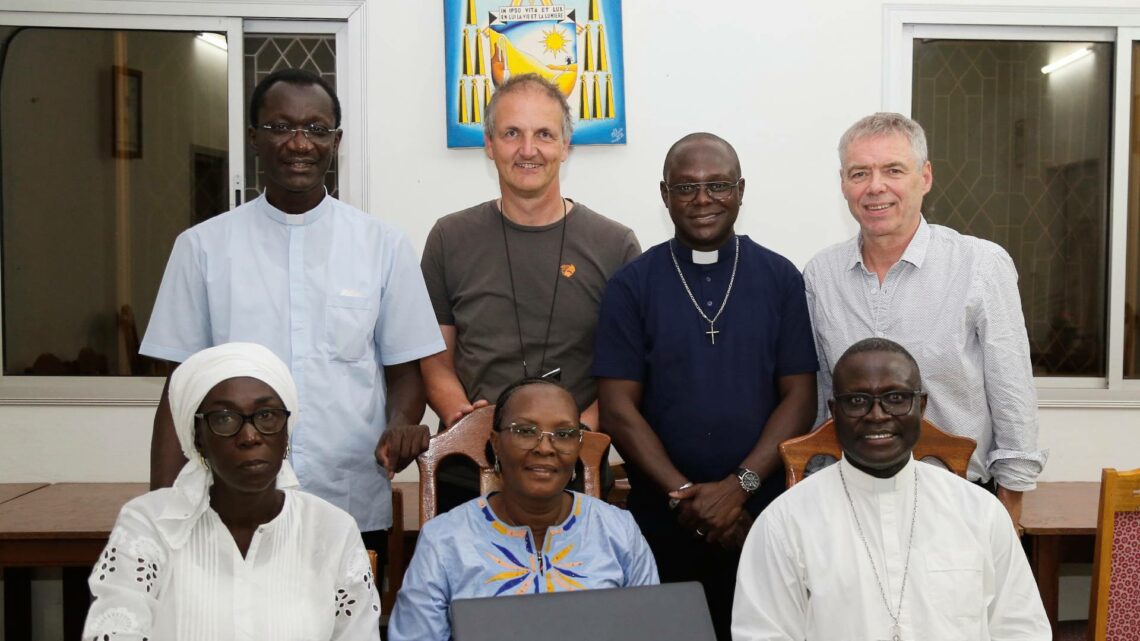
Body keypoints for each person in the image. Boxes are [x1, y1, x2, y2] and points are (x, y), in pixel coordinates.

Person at [141, 69, 444, 553]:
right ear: (254, 138)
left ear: (336, 141)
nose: (299, 143)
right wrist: (159, 512)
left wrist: (398, 425)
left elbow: (406, 371)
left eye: (316, 129)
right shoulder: (202, 248)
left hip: (348, 502)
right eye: (281, 127)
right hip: (228, 503)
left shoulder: (382, 246)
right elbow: (179, 391)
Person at [593, 133, 818, 641]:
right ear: (664, 193)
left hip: (763, 512)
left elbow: (800, 396)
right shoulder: (631, 285)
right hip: (664, 513)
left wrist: (739, 488)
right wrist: (685, 497)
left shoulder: (780, 277)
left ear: (740, 190)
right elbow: (618, 408)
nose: (702, 200)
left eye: (717, 185)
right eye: (685, 187)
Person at [804, 112, 1047, 527]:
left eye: (893, 170)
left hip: (959, 504)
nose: (875, 186)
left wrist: (1008, 510)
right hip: (850, 508)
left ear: (926, 177)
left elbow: (1013, 396)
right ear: (843, 184)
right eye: (859, 172)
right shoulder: (821, 276)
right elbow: (825, 395)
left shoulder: (980, 266)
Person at [732, 338, 1050, 641]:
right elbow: (763, 634)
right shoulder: (785, 523)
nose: (877, 415)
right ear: (834, 411)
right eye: (857, 401)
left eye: (896, 398)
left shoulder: (980, 513)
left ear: (921, 406)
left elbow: (1021, 629)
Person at [420, 73, 639, 508]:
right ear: (488, 144)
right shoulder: (449, 238)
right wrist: (463, 418)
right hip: (471, 475)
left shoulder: (616, 246)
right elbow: (435, 360)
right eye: (511, 134)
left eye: (543, 134)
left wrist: (572, 437)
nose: (528, 150)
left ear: (565, 145)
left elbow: (628, 376)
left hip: (578, 475)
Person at [83, 343, 381, 640]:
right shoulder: (148, 526)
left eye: (267, 416)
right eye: (225, 418)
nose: (249, 436)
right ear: (197, 438)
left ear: (286, 431)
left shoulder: (332, 531)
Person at [388, 378, 658, 641]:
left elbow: (654, 630)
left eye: (563, 435)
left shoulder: (618, 531)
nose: (545, 448)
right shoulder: (444, 540)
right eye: (525, 431)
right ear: (496, 443)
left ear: (577, 447)